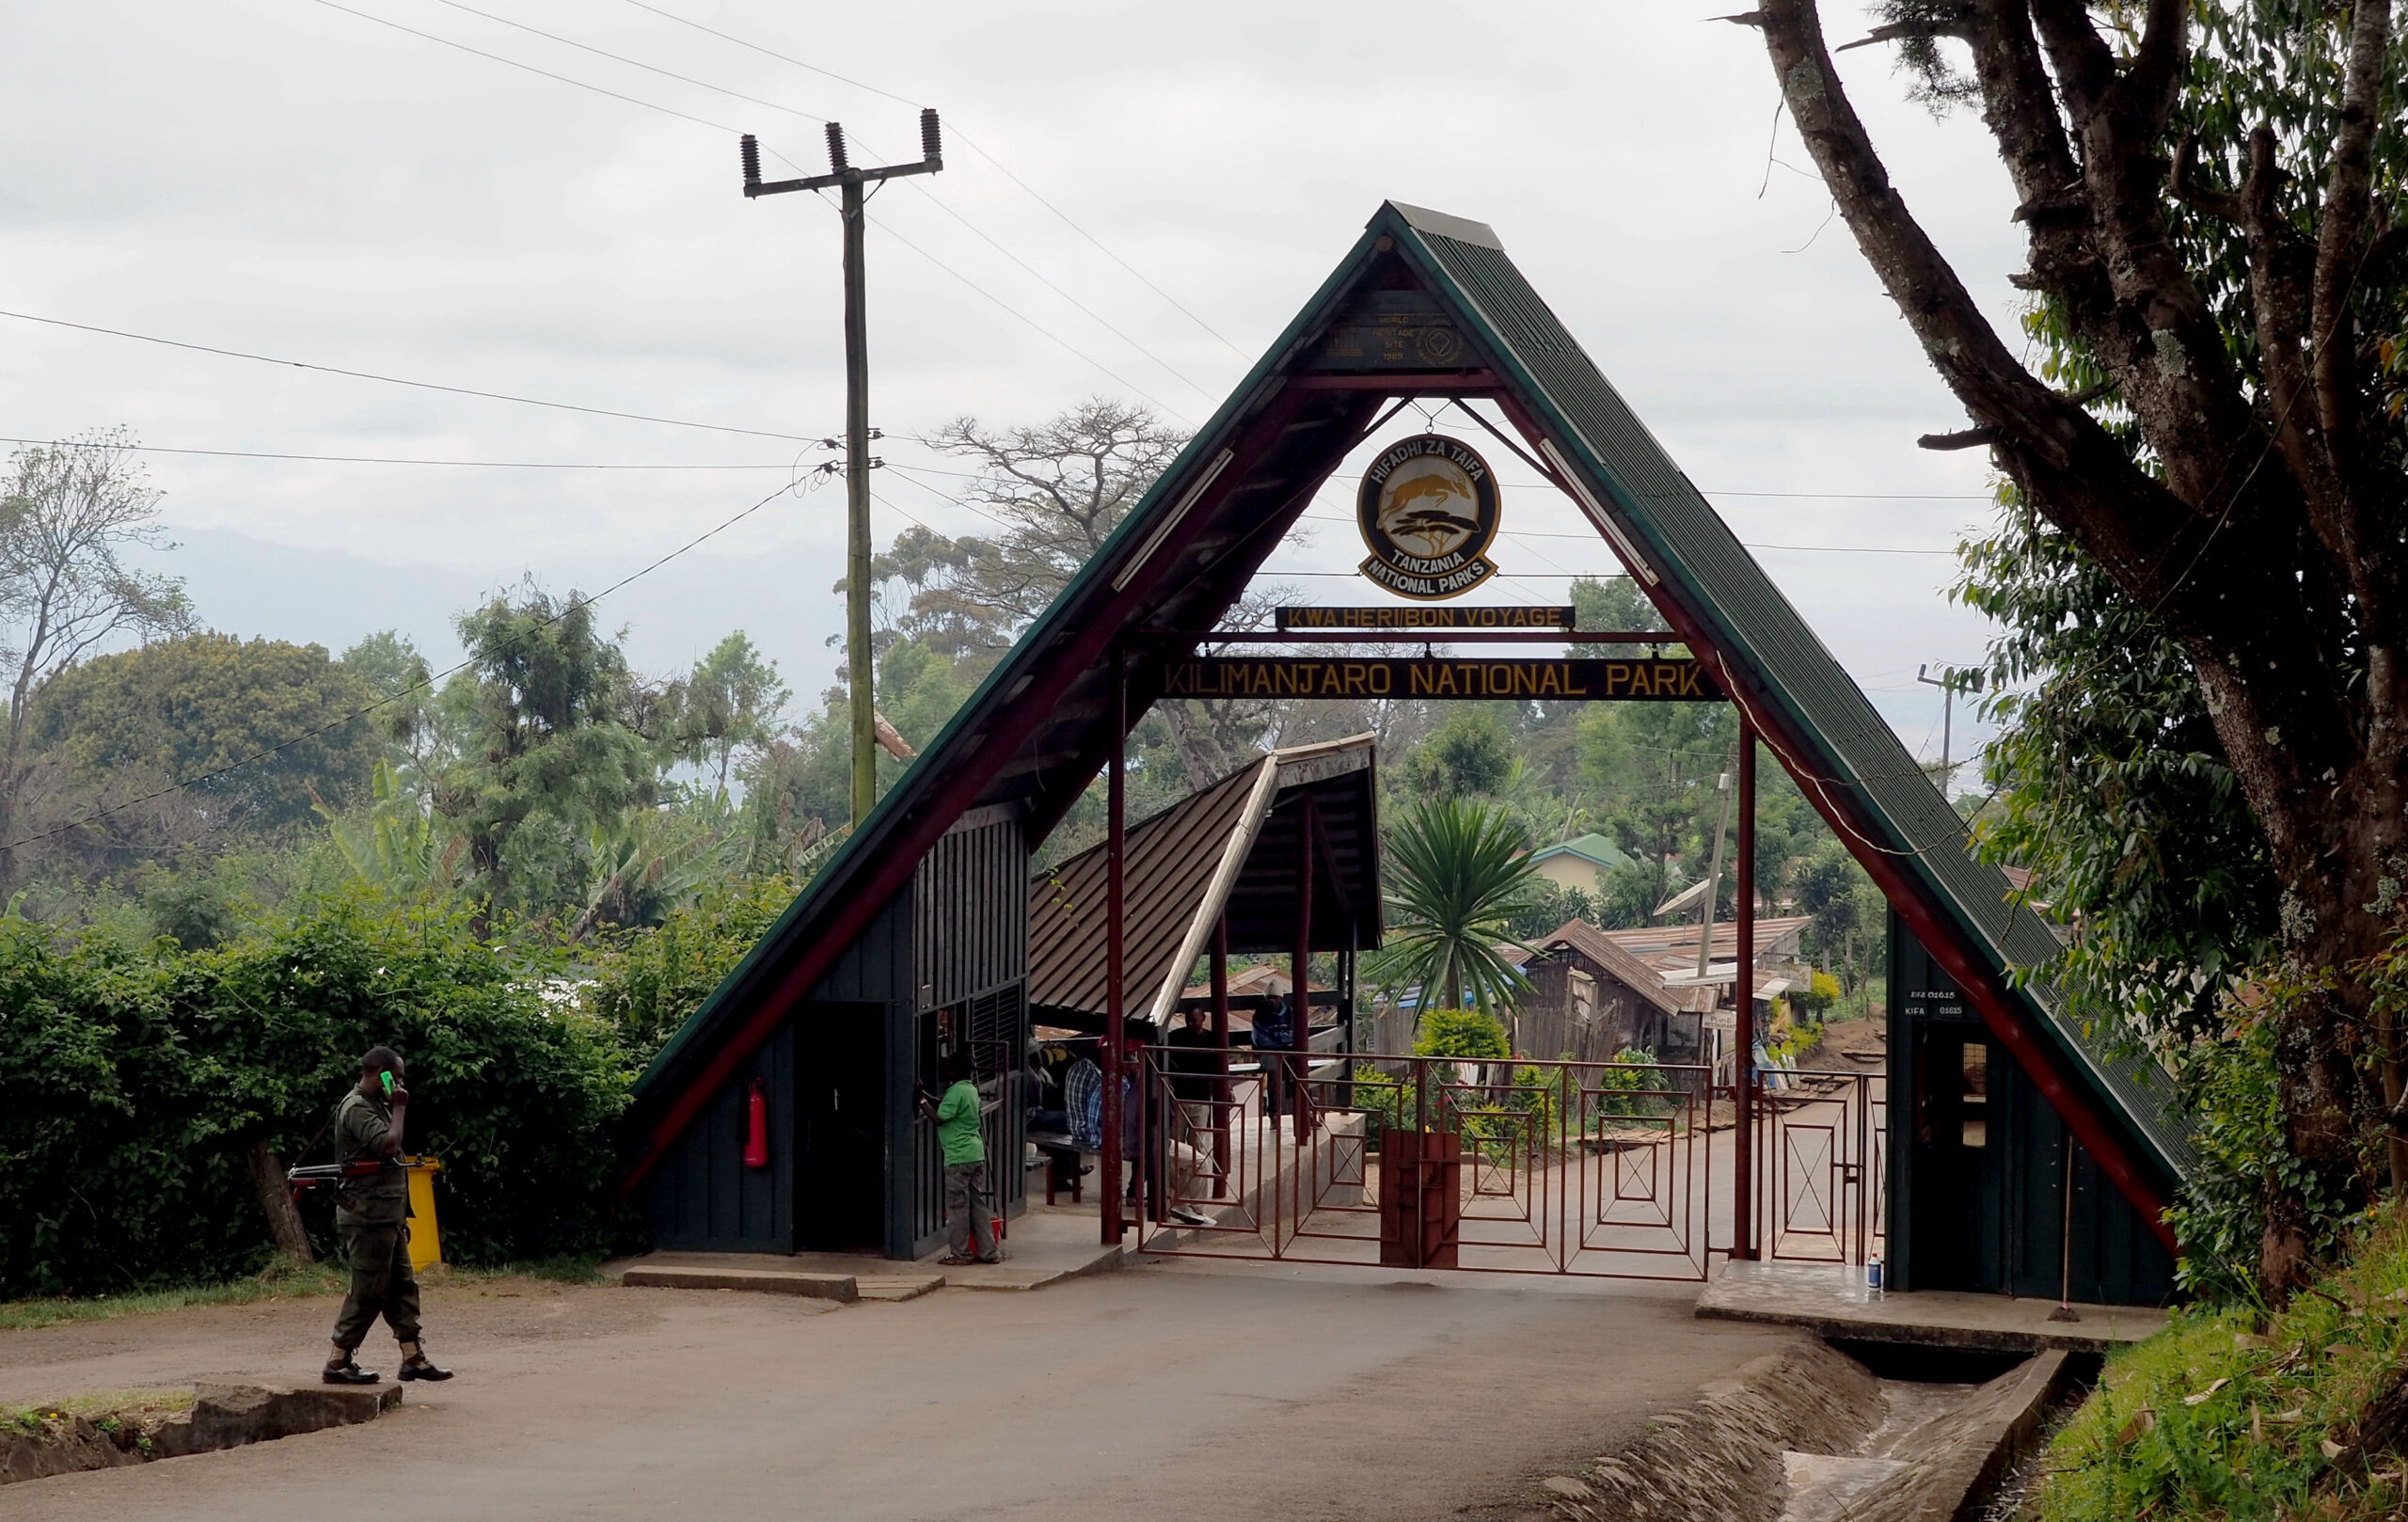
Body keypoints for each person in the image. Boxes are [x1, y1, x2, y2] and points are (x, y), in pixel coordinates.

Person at [323, 1046, 452, 1386]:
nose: (399, 1083)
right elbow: (388, 1146)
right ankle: (337, 1362)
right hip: (366, 1215)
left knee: (402, 1287)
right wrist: (399, 1107)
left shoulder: (375, 1104)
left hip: (385, 1214)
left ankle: (413, 1358)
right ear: (379, 1072)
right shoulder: (357, 1108)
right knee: (369, 1290)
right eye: (395, 1076)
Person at [924, 1053, 999, 1265]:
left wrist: (920, 1101)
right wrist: (926, 1096)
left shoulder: (955, 1092)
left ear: (953, 1071)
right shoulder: (969, 1089)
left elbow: (939, 1117)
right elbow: (943, 1103)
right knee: (978, 1205)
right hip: (975, 1154)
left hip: (958, 1157)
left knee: (958, 1208)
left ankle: (961, 1254)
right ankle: (989, 1252)